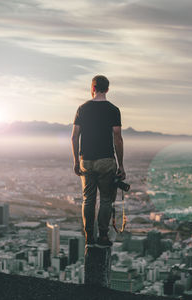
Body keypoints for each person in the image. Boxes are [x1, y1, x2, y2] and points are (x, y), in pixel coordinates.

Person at [71, 75, 126, 248]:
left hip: (85, 159)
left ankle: (89, 236)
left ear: (92, 88)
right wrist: (121, 164)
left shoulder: (82, 108)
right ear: (107, 89)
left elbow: (74, 137)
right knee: (106, 200)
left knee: (88, 200)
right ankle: (103, 235)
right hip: (106, 160)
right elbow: (117, 137)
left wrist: (75, 160)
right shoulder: (113, 110)